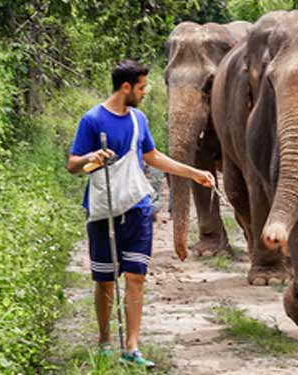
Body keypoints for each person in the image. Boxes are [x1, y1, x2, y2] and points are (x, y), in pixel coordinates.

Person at [66, 59, 214, 366]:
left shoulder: (138, 120)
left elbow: (153, 156)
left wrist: (193, 173)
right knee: (106, 279)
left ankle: (132, 347)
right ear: (126, 87)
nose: (144, 93)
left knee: (136, 276)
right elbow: (73, 166)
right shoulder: (92, 120)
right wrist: (92, 157)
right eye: (142, 87)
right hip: (104, 210)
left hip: (137, 207)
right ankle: (106, 340)